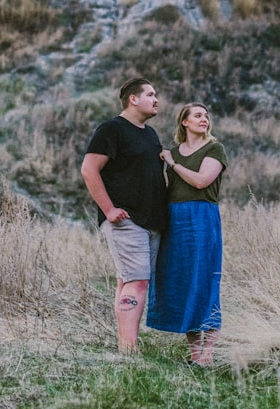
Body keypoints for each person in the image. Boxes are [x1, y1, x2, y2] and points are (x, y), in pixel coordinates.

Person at [80, 77, 168, 353]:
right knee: (137, 281)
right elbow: (89, 169)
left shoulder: (150, 134)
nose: (156, 100)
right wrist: (108, 209)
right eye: (151, 94)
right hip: (126, 221)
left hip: (151, 221)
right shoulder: (112, 130)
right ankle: (129, 351)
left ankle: (125, 346)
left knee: (129, 280)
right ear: (133, 98)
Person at [147, 102, 228, 366]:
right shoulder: (174, 151)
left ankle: (208, 354)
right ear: (185, 122)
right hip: (175, 219)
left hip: (202, 217)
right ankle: (195, 355)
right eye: (197, 115)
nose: (203, 119)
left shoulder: (214, 148)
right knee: (182, 281)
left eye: (206, 115)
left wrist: (172, 163)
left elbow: (201, 181)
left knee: (204, 280)